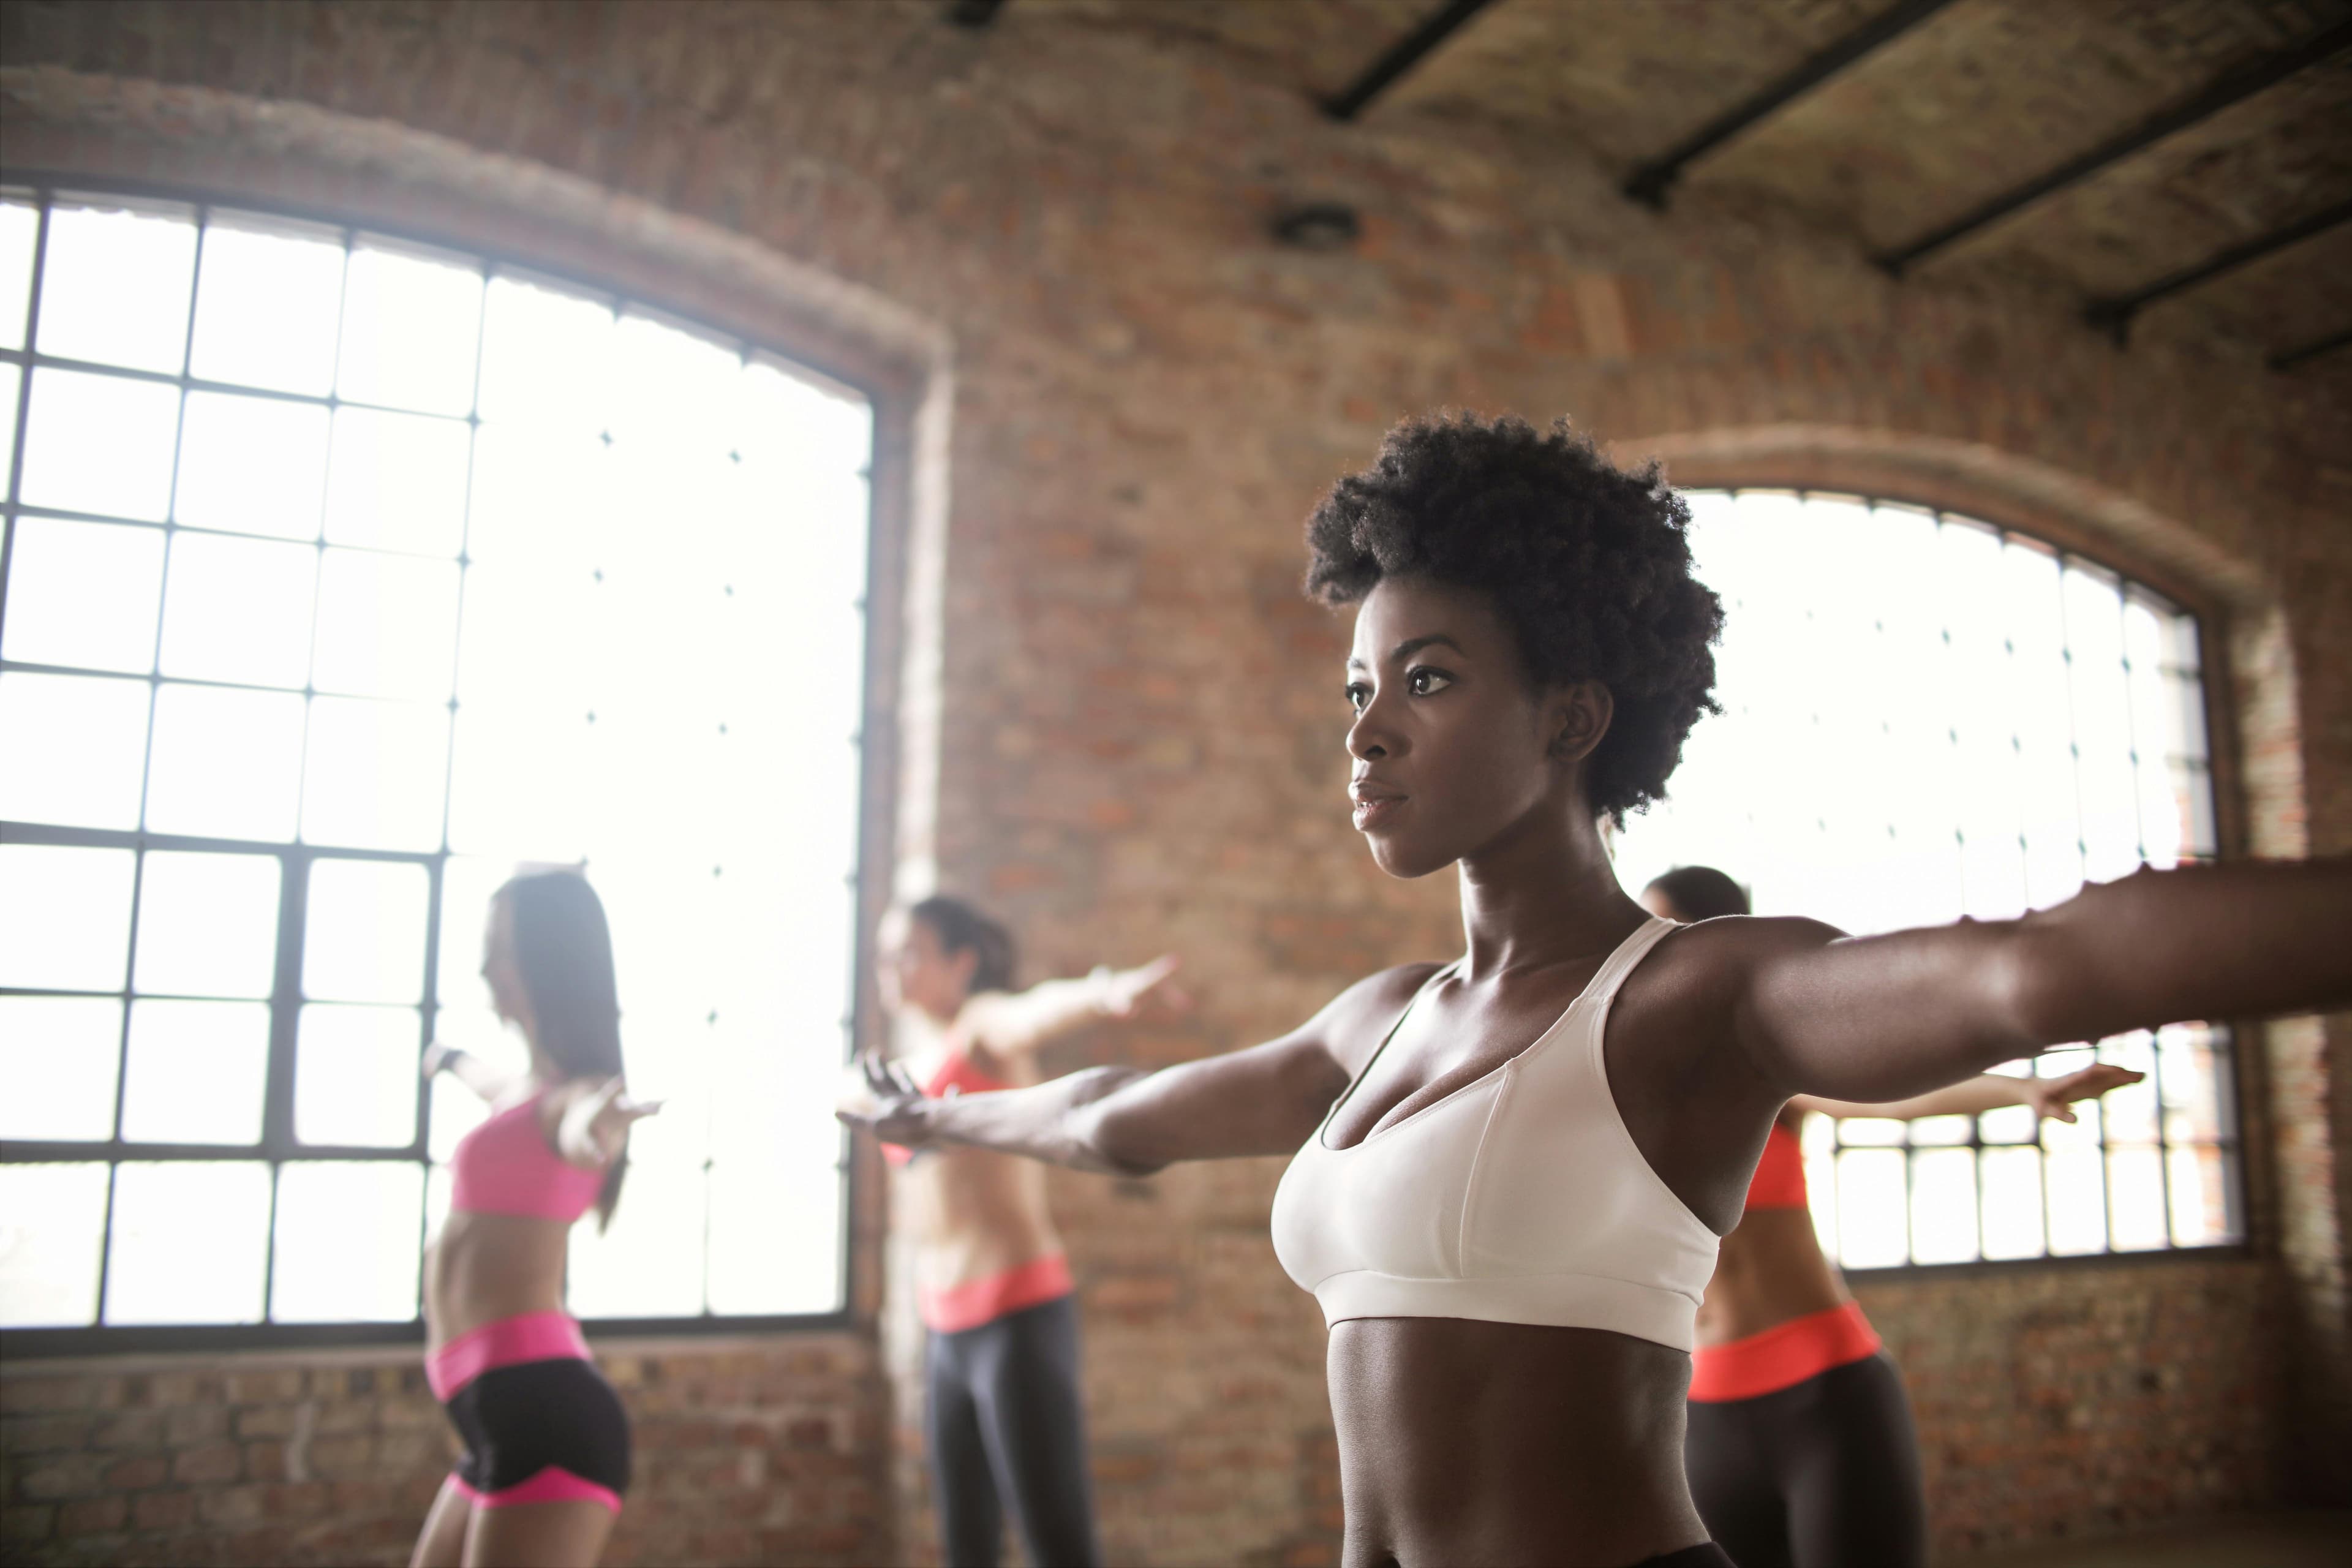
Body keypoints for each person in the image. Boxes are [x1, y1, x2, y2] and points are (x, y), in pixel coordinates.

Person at [840, 412, 2352, 1567]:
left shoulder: (1695, 997)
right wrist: (933, 1112)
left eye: (1425, 679)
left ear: (1570, 713)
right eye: (1356, 689)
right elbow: (1115, 1112)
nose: (1366, 733)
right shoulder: (1379, 1020)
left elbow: (2041, 967)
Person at [1642, 865, 2142, 1568]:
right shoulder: (1632, 1089)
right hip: (1703, 1417)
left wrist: (2019, 1087)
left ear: (1714, 941)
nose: (1651, 950)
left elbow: (1894, 1093)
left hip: (1826, 1399)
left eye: (1668, 929)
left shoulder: (1768, 1074)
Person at [864, 895, 1185, 1568]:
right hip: (943, 1330)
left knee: (1057, 1546)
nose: (892, 969)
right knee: (967, 1549)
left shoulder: (978, 1028)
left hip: (1015, 1318)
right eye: (886, 954)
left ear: (961, 963)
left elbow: (1029, 1012)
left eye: (910, 954)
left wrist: (1104, 993)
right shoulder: (905, 1064)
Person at [409, 872, 658, 1568]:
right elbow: (492, 1080)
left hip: (545, 1411)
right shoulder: (527, 1091)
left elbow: (582, 1124)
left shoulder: (573, 1100)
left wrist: (602, 1127)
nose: (486, 966)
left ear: (552, 960)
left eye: (503, 947)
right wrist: (448, 1059)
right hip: (493, 1418)